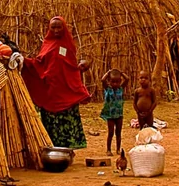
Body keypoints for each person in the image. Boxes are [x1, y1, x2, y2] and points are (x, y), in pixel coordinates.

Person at [19, 16, 91, 149]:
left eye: (59, 27)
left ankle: (69, 150)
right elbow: (40, 64)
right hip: (50, 90)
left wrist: (79, 71)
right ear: (49, 28)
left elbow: (71, 66)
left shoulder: (68, 44)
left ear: (64, 27)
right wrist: (24, 61)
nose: (56, 30)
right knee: (51, 122)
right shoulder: (47, 44)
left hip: (65, 90)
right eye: (53, 27)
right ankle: (53, 148)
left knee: (67, 122)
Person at [99, 69, 126, 156]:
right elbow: (103, 80)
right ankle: (108, 149)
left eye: (117, 82)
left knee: (118, 132)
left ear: (120, 81)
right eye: (113, 81)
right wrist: (108, 72)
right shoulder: (107, 89)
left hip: (119, 114)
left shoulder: (120, 89)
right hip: (110, 115)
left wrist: (121, 73)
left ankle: (118, 149)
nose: (115, 84)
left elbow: (127, 79)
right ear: (109, 81)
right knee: (110, 132)